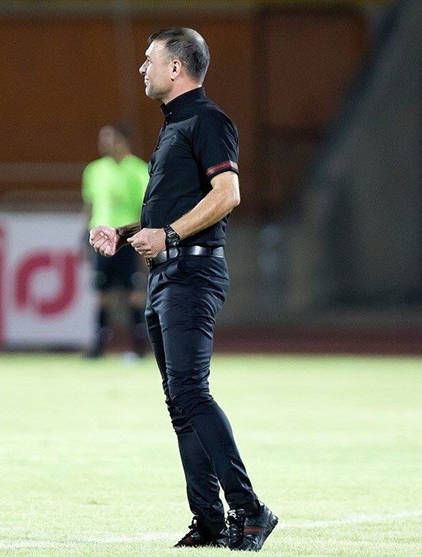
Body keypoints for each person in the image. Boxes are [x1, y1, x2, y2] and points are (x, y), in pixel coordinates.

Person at [89, 28, 278, 551]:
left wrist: (168, 236)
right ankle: (210, 521)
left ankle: (250, 510)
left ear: (176, 68)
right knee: (180, 402)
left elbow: (228, 193)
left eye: (149, 59)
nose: (142, 68)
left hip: (192, 274)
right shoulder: (176, 124)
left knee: (191, 393)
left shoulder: (208, 120)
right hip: (167, 276)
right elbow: (172, 209)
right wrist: (126, 232)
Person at [82, 124, 149, 359]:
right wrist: (84, 236)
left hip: (129, 239)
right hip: (101, 240)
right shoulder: (94, 170)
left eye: (108, 139)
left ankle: (139, 347)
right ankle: (99, 346)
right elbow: (89, 206)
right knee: (102, 293)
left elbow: (146, 208)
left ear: (122, 141)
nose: (103, 144)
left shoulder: (139, 170)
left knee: (134, 292)